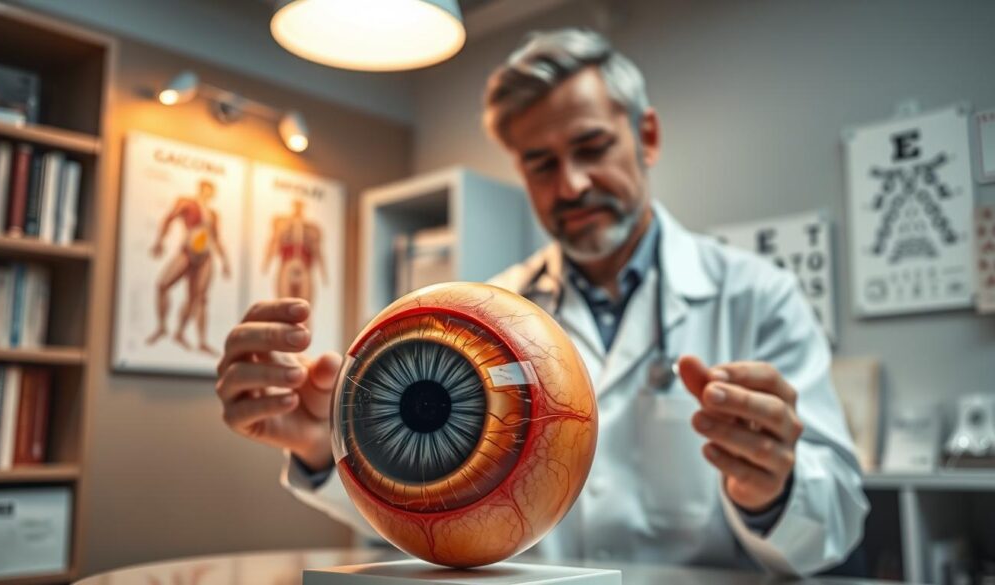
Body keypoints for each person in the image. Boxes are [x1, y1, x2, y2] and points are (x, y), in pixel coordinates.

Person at [214, 29, 868, 576]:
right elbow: (440, 519)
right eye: (541, 164)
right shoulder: (489, 313)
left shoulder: (757, 297)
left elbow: (835, 524)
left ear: (646, 136)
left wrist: (774, 488)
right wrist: (325, 447)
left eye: (591, 148)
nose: (573, 184)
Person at [148, 179, 231, 356]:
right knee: (162, 285)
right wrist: (159, 241)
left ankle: (190, 336)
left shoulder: (213, 214)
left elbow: (216, 239)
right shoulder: (187, 204)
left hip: (206, 256)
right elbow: (168, 219)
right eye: (205, 190)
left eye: (210, 192)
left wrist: (225, 262)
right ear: (200, 189)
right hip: (187, 251)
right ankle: (162, 326)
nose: (207, 194)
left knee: (198, 297)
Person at [262, 198, 327, 331]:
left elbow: (317, 250)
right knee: (284, 307)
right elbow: (273, 242)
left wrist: (323, 272)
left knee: (305, 308)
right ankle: (283, 344)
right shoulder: (282, 223)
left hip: (304, 266)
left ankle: (304, 342)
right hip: (288, 264)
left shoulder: (312, 228)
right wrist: (266, 263)